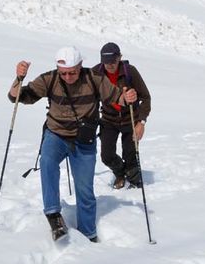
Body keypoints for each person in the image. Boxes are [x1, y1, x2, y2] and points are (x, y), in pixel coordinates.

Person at [9, 46, 137, 242]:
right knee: (47, 162)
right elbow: (16, 97)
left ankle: (88, 234)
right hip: (56, 135)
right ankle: (53, 215)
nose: (68, 77)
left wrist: (126, 97)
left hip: (83, 140)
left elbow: (116, 96)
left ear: (80, 66)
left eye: (72, 72)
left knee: (84, 188)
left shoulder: (94, 79)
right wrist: (19, 79)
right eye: (64, 73)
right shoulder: (49, 79)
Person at [92, 42, 151, 189]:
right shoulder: (96, 73)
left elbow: (146, 97)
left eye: (113, 61)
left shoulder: (129, 72)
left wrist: (141, 123)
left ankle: (133, 177)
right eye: (106, 62)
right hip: (108, 120)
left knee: (130, 154)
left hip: (130, 119)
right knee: (106, 155)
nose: (110, 65)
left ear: (120, 57)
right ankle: (120, 173)